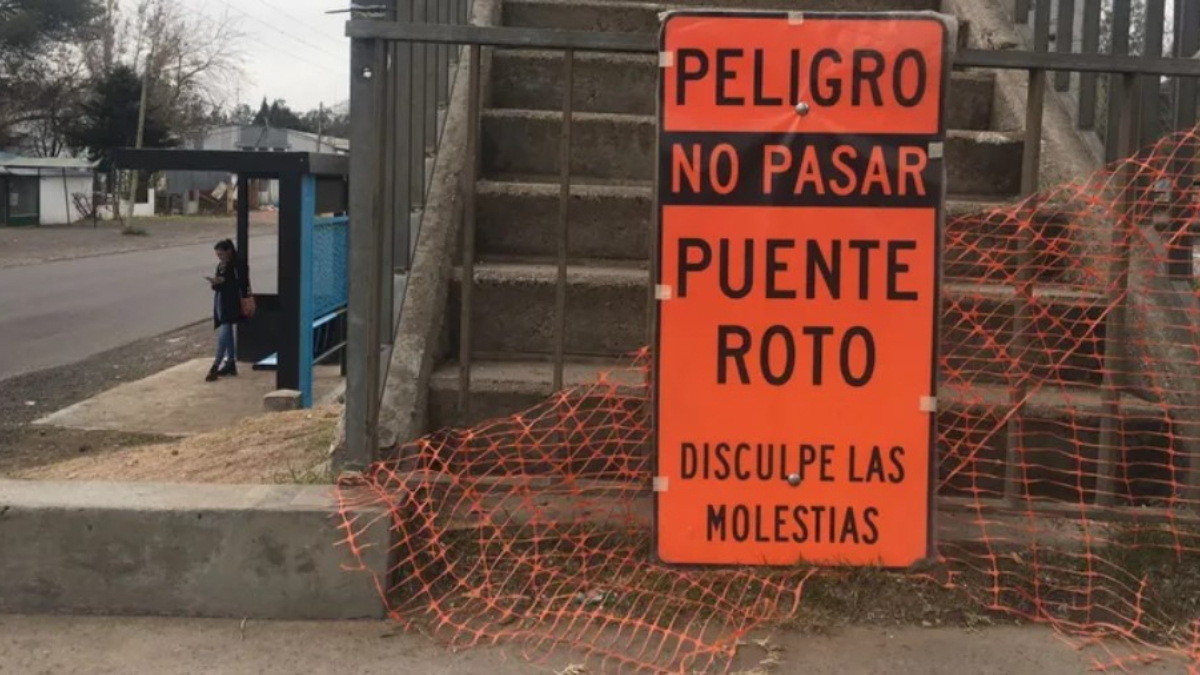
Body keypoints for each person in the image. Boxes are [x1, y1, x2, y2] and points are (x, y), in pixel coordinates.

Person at [206, 239, 252, 382]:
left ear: (229, 251)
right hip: (222, 301)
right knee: (226, 332)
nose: (219, 257)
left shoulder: (238, 265)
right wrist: (215, 283)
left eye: (221, 253)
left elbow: (243, 283)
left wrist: (224, 282)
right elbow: (219, 286)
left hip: (233, 302)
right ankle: (230, 362)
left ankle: (216, 363)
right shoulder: (221, 266)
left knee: (224, 332)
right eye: (217, 254)